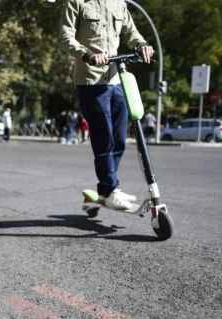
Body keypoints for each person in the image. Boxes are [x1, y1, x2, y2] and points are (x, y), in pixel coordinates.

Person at [61, 0, 154, 210]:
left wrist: (142, 45)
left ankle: (105, 190)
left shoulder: (119, 4)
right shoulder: (76, 2)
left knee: (120, 139)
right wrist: (87, 54)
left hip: (115, 78)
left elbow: (132, 32)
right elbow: (65, 36)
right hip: (90, 81)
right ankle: (111, 189)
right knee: (104, 136)